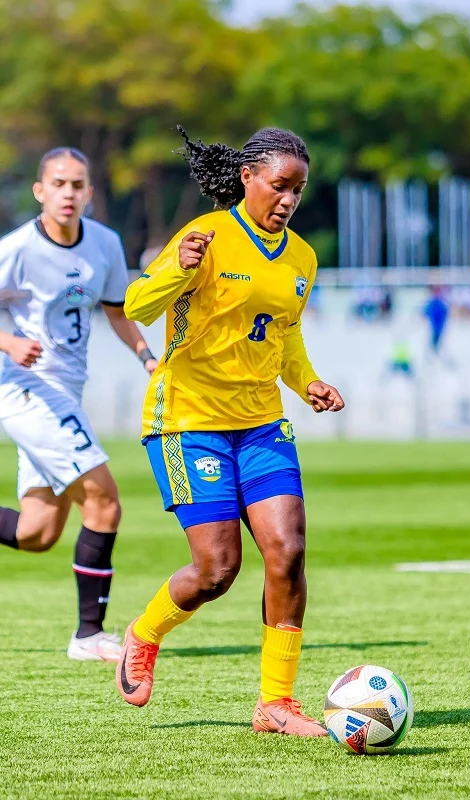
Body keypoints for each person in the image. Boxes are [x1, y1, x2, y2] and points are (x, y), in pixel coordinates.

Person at [115, 126, 344, 737]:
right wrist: (178, 269)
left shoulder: (302, 257)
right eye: (279, 185)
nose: (288, 199)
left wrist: (308, 382)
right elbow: (137, 306)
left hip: (262, 421)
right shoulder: (206, 235)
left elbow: (285, 334)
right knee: (217, 570)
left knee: (288, 552)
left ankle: (276, 703)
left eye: (298, 189)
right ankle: (144, 633)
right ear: (248, 177)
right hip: (188, 420)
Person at [0, 147, 158, 661]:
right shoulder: (17, 249)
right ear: (39, 191)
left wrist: (147, 357)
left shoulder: (105, 243)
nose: (68, 193)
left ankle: (88, 633)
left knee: (37, 531)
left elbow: (116, 311)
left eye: (77, 185)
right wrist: (9, 342)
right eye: (58, 183)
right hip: (26, 389)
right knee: (104, 501)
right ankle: (89, 635)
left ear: (89, 192)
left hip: (66, 392)